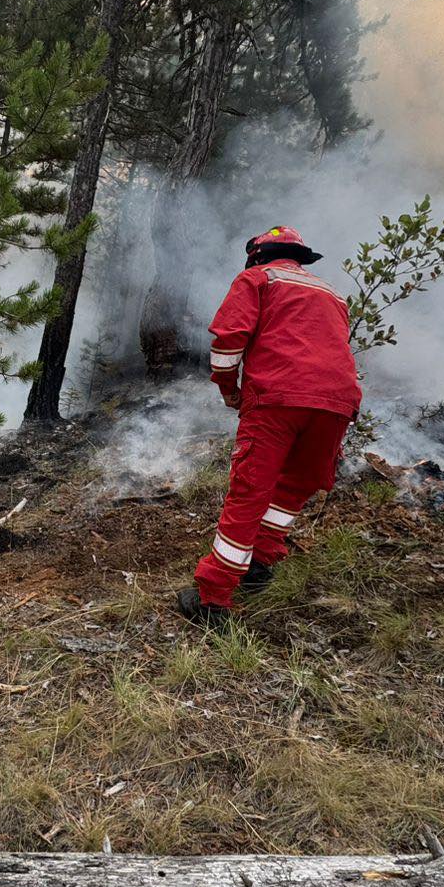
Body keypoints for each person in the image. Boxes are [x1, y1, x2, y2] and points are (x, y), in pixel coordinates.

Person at [178, 227, 361, 628]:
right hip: (336, 403)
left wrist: (231, 392)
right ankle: (259, 565)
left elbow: (227, 344)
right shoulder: (332, 293)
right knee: (293, 488)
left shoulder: (256, 279)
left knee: (250, 490)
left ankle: (213, 597)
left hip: (279, 399)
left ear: (258, 256)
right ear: (299, 256)